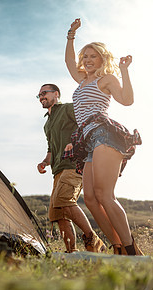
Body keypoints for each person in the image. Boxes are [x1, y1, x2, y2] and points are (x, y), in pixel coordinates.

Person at [64, 18, 143, 255]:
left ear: (102, 59)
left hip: (104, 134)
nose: (87, 60)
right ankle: (117, 246)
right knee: (89, 198)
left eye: (92, 56)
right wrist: (71, 35)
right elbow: (69, 62)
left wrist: (125, 71)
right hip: (87, 140)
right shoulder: (81, 80)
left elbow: (127, 100)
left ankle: (131, 250)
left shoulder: (106, 79)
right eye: (84, 56)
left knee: (104, 194)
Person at [36, 84, 105, 253]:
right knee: (58, 214)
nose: (41, 97)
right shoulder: (47, 124)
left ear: (56, 94)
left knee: (65, 201)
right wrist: (45, 161)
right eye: (39, 95)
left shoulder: (67, 108)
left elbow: (86, 124)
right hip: (58, 170)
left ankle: (94, 241)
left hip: (75, 163)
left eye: (44, 93)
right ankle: (71, 252)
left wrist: (74, 142)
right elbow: (51, 148)